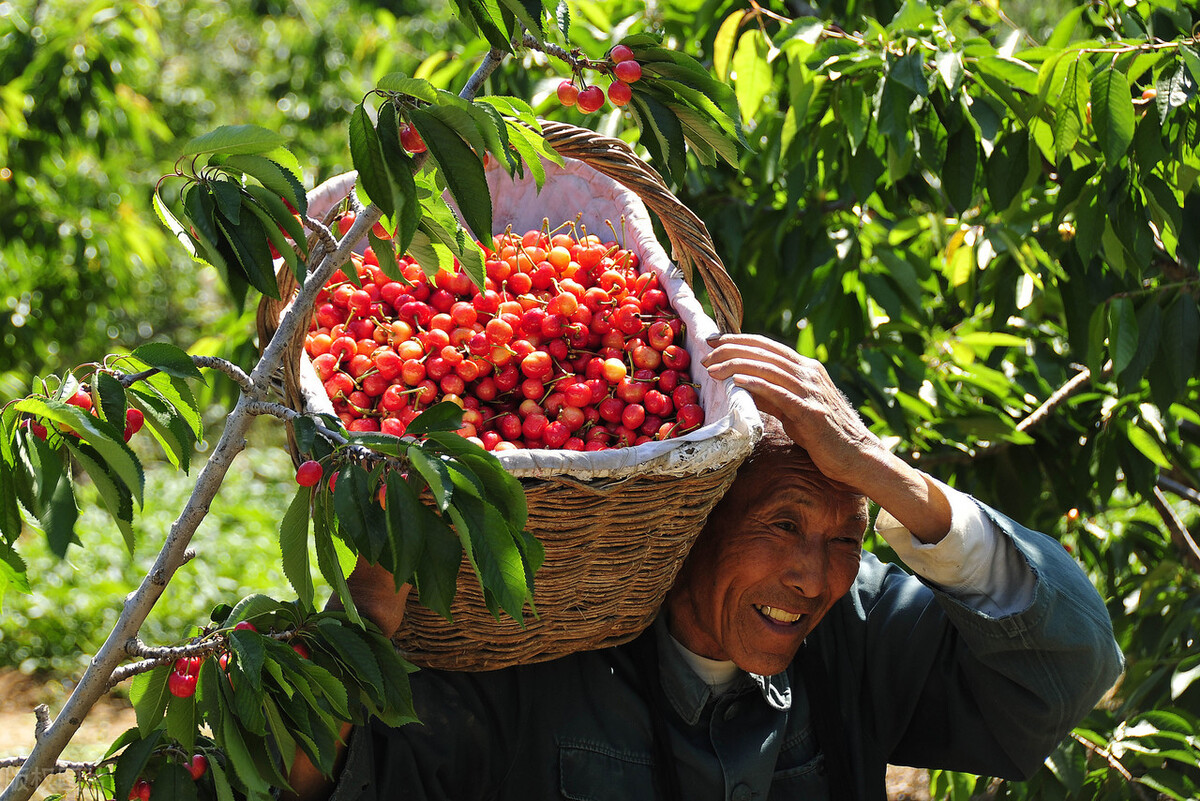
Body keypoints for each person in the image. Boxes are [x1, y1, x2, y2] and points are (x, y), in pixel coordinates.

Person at [287, 334, 1124, 801]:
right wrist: (360, 625)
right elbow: (316, 785)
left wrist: (890, 477)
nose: (811, 574)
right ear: (693, 518)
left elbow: (1068, 669)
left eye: (845, 534)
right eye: (782, 522)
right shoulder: (537, 648)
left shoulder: (859, 631)